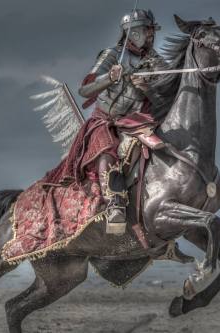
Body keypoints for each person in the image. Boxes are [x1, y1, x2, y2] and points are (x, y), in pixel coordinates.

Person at [43, 9, 168, 235]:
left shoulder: (157, 62)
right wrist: (109, 78)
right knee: (106, 147)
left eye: (151, 31)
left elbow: (166, 98)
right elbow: (85, 89)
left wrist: (147, 88)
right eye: (145, 30)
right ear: (131, 33)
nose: (150, 35)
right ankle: (114, 205)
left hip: (137, 121)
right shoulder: (112, 55)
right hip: (105, 120)